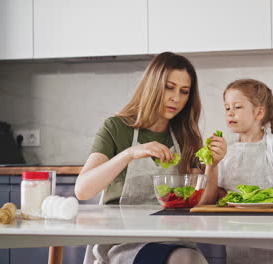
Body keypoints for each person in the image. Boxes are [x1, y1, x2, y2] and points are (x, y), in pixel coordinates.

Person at [75, 52, 208, 264]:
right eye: (169, 87)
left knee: (190, 258)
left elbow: (200, 201)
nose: (176, 98)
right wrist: (129, 154)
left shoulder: (187, 136)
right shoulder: (116, 128)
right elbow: (83, 190)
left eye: (184, 92)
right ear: (153, 85)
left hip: (175, 238)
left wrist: (213, 165)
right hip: (124, 242)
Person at [201, 78, 273, 264]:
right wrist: (213, 167)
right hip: (236, 228)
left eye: (237, 107)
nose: (230, 113)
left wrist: (267, 197)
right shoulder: (227, 150)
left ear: (259, 112)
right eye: (227, 108)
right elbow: (218, 192)